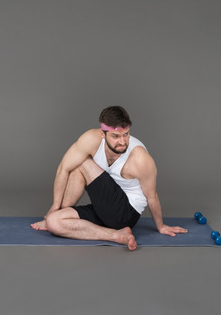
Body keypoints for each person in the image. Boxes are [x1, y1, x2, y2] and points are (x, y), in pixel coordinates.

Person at [31, 106, 187, 250]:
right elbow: (63, 168)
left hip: (126, 213)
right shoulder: (91, 140)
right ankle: (117, 235)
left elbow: (152, 196)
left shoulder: (140, 159)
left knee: (83, 163)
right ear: (102, 133)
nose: (122, 141)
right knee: (54, 222)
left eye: (126, 134)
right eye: (115, 136)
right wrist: (54, 208)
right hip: (106, 208)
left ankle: (119, 228)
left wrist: (161, 226)